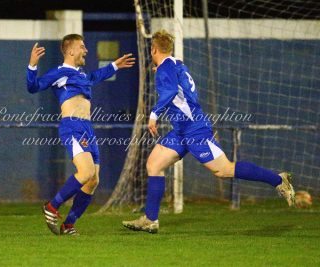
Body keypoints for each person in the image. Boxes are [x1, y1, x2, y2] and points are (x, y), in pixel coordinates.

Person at [122, 29, 295, 234]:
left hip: (194, 130)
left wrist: (154, 114)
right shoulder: (176, 64)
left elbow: (169, 92)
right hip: (181, 131)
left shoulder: (164, 69)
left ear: (153, 49)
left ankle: (278, 179)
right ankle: (150, 219)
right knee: (153, 165)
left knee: (223, 170)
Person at [27, 34, 135, 235]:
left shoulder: (82, 75)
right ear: (70, 50)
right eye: (82, 47)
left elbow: (94, 77)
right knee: (85, 173)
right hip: (72, 126)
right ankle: (51, 206)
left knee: (93, 181)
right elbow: (33, 87)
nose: (86, 50)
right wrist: (32, 66)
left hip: (87, 128)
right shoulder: (59, 73)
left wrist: (114, 66)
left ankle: (68, 225)